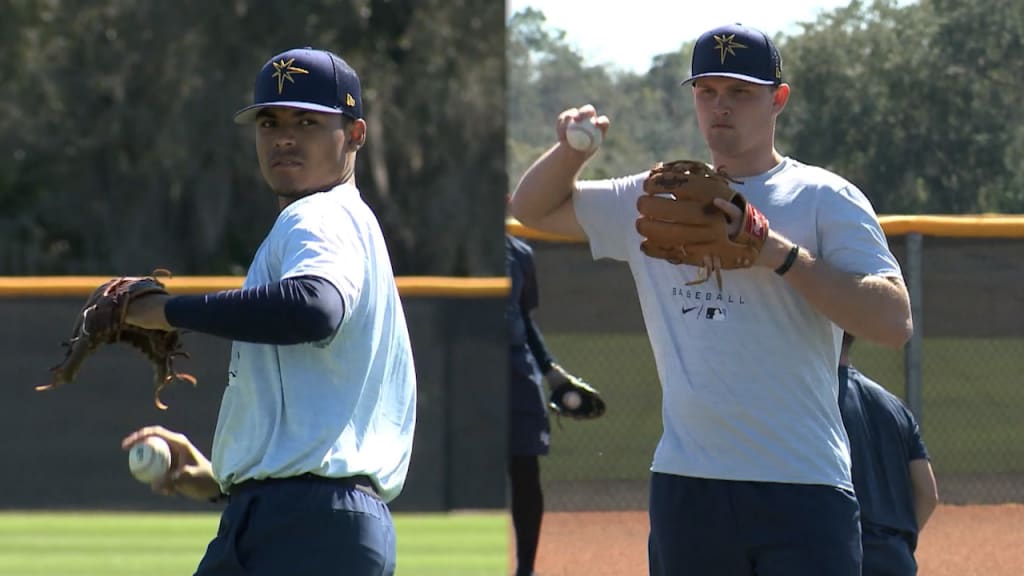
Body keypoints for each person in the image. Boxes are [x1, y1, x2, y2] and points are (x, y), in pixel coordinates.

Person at [509, 22, 913, 576]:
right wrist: (571, 153)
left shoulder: (824, 197)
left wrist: (776, 252)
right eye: (707, 91)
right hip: (688, 483)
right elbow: (530, 208)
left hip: (804, 484)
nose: (720, 106)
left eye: (741, 93)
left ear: (778, 99)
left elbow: (894, 322)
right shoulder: (655, 195)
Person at [118, 47, 417, 576]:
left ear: (355, 135)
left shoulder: (318, 215)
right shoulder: (344, 223)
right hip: (295, 522)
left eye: (307, 120)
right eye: (269, 120)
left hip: (309, 530)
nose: (284, 136)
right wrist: (225, 479)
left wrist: (164, 311)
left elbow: (313, 309)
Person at [838, 332, 938, 576]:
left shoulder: (812, 399)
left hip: (842, 557)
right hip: (896, 559)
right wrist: (897, 543)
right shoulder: (894, 406)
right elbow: (928, 492)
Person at [505, 231, 572, 576]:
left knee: (526, 474)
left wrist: (549, 370)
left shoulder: (519, 253)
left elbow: (524, 319)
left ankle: (525, 569)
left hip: (517, 373)